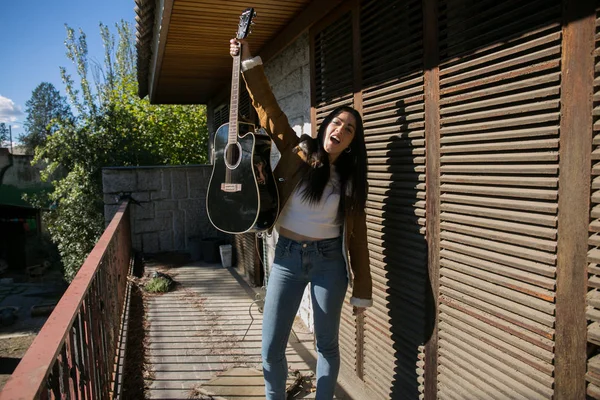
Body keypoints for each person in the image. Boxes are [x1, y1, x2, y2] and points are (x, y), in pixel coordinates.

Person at [230, 38, 373, 400]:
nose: (339, 130)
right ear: (325, 126)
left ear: (351, 142)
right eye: (336, 123)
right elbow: (270, 111)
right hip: (287, 260)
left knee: (326, 346)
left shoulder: (351, 181)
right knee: (271, 346)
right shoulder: (298, 153)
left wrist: (363, 291)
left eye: (349, 130)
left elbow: (357, 238)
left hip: (329, 264)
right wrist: (248, 61)